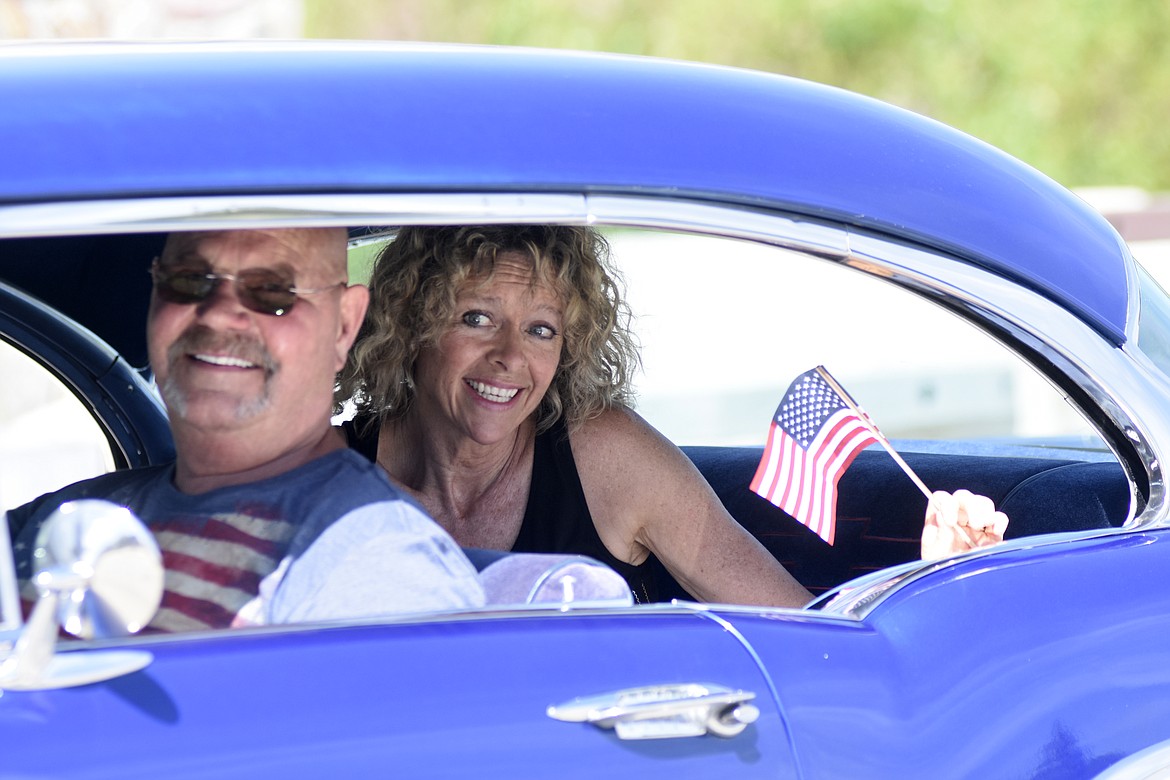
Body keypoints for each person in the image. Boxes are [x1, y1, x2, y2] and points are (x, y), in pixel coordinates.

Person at [337, 225, 1008, 608]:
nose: (510, 356)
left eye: (542, 330)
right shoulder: (329, 471)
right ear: (412, 325)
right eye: (477, 318)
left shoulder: (607, 458)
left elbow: (796, 626)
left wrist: (937, 578)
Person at [8, 227, 484, 632]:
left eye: (271, 292)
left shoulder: (373, 567)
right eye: (189, 280)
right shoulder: (72, 514)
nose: (216, 312)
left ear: (343, 327)